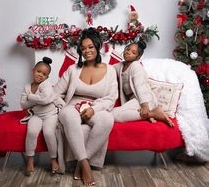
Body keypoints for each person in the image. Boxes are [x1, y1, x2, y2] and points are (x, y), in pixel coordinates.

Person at [54, 27, 118, 186]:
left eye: (90, 47)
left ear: (98, 47)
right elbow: (55, 93)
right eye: (83, 48)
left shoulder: (110, 70)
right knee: (68, 115)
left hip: (96, 107)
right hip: (72, 106)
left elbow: (111, 99)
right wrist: (63, 105)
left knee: (107, 119)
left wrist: (93, 109)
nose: (87, 51)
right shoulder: (73, 69)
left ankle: (82, 162)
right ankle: (84, 165)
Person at [112, 40, 174, 127]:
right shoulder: (121, 65)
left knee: (114, 114)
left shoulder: (136, 66)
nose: (128, 52)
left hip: (144, 100)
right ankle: (150, 114)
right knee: (113, 113)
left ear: (138, 57)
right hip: (134, 100)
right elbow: (109, 69)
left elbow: (140, 86)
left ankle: (153, 113)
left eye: (133, 52)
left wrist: (145, 105)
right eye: (127, 49)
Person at [20, 57, 65, 176]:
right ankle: (30, 160)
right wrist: (36, 100)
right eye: (38, 71)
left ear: (47, 77)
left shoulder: (46, 85)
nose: (40, 75)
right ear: (33, 70)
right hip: (37, 115)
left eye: (44, 74)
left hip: (51, 114)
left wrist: (30, 97)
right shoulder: (27, 87)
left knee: (49, 133)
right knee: (32, 132)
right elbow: (23, 104)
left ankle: (53, 160)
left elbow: (45, 100)